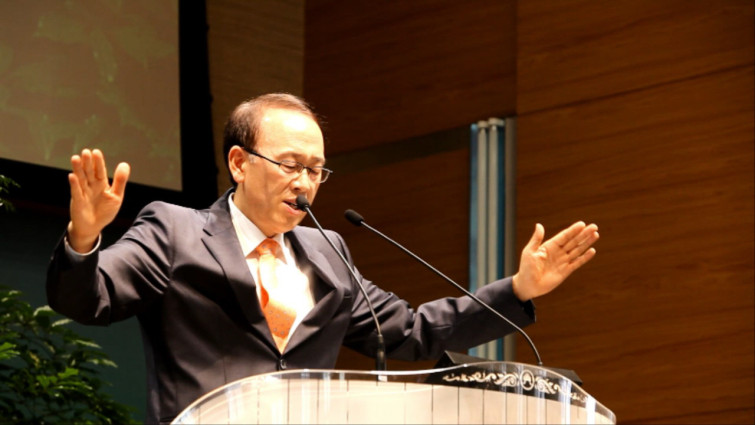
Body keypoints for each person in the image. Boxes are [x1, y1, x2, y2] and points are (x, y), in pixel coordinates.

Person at [47, 93, 599, 424]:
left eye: (316, 170)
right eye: (290, 165)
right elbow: (88, 300)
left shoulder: (327, 252)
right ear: (239, 163)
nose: (306, 182)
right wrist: (84, 236)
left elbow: (413, 333)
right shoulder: (176, 230)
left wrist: (519, 289)